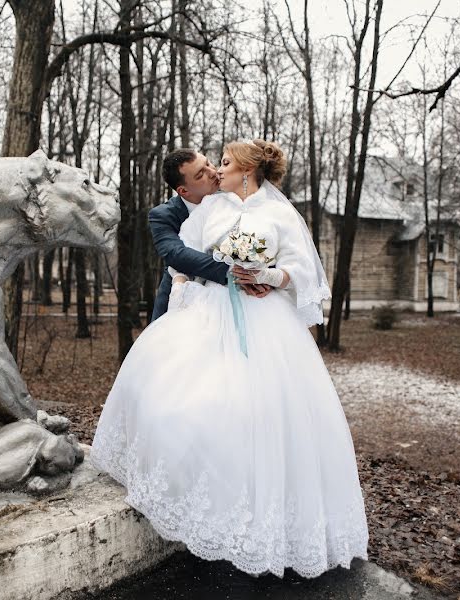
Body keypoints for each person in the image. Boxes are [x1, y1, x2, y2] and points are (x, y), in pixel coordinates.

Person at [91, 139, 369, 578]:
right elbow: (181, 264)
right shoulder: (210, 210)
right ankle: (197, 500)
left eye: (223, 163)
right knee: (190, 402)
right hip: (209, 314)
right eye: (212, 166)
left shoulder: (280, 215)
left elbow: (303, 274)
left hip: (268, 325)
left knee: (264, 414)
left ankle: (267, 524)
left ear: (248, 170)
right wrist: (221, 280)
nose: (217, 171)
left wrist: (267, 275)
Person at [148, 149, 270, 323]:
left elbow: (262, 239)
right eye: (200, 175)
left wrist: (260, 273)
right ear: (183, 191)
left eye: (208, 163)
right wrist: (233, 272)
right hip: (181, 301)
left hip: (234, 304)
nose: (213, 172)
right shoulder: (162, 215)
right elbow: (176, 254)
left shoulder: (234, 198)